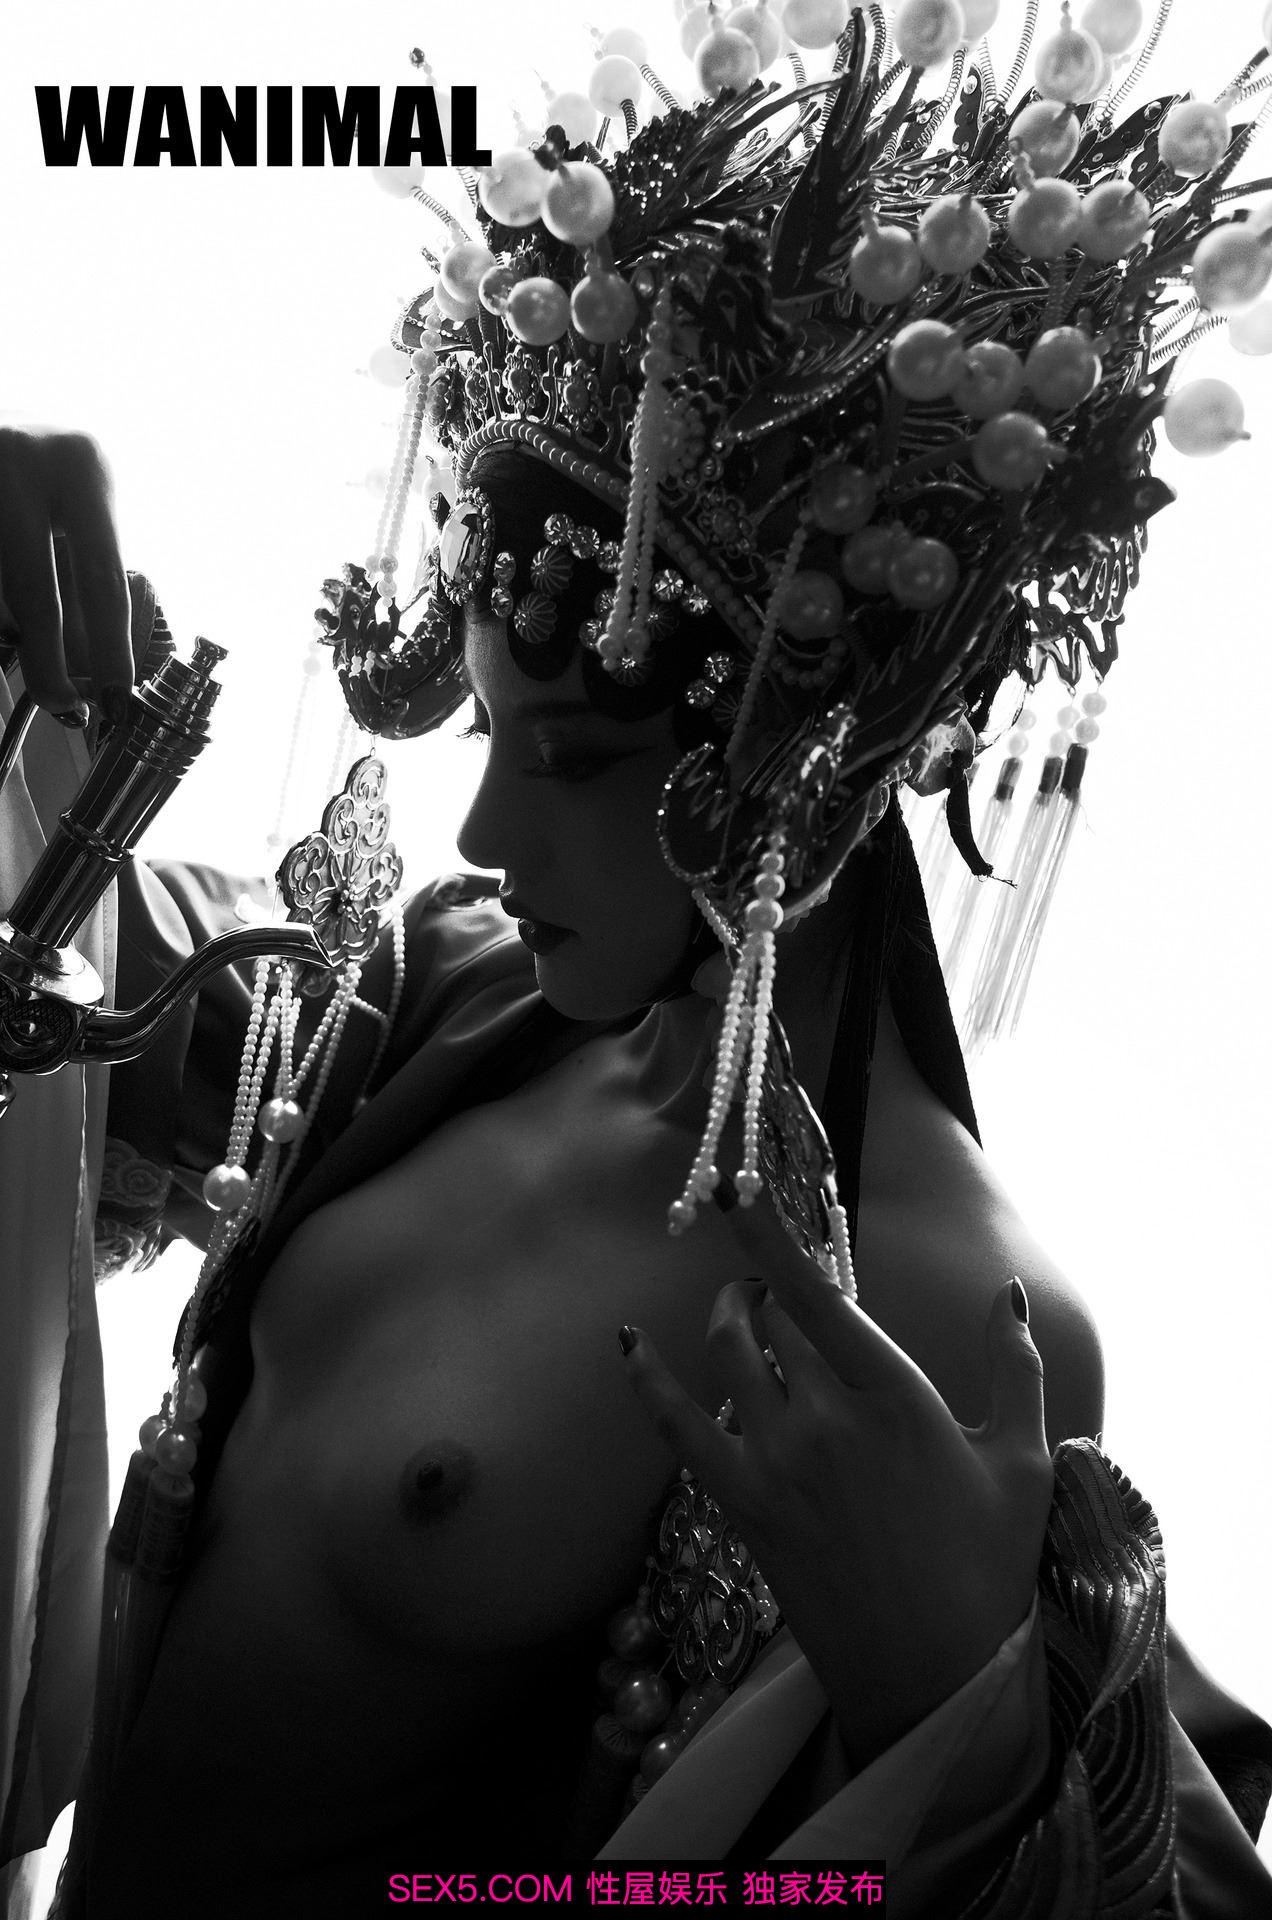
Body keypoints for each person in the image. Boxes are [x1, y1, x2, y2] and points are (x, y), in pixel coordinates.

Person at [3, 10, 1272, 1914]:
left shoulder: (947, 1320)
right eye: (486, 732)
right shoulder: (448, 988)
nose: (479, 833)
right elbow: (95, 988)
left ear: (817, 756)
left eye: (575, 758)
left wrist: (949, 1724)